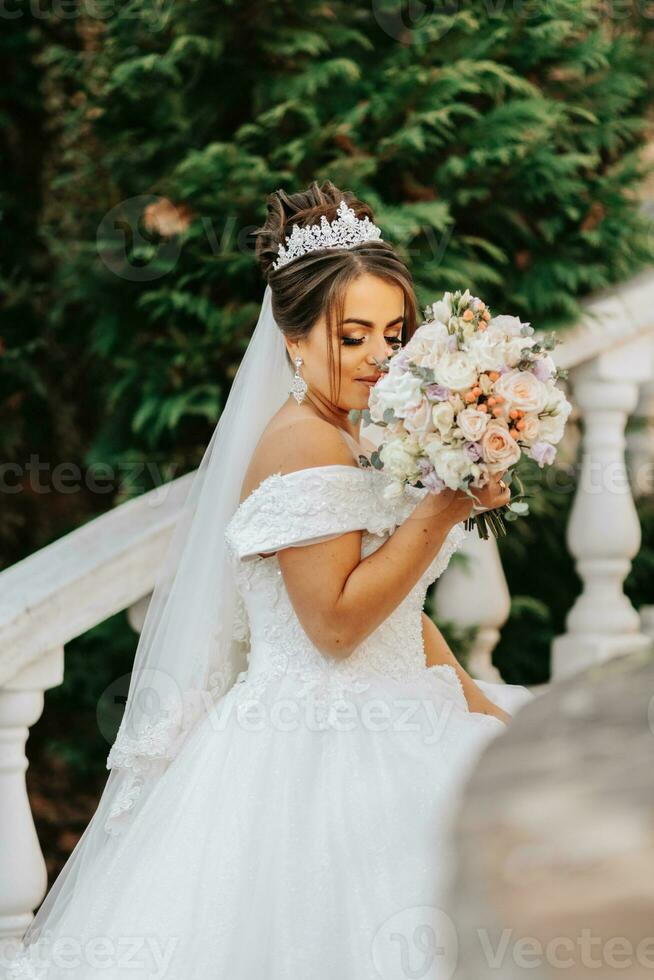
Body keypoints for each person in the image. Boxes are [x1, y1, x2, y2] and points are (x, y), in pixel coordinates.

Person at [8, 181, 535, 980]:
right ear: (292, 339)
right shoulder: (302, 444)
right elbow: (333, 625)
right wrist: (444, 506)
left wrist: (471, 696)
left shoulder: (356, 437)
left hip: (400, 712)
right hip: (317, 749)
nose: (379, 357)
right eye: (351, 336)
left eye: (394, 334)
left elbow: (397, 614)